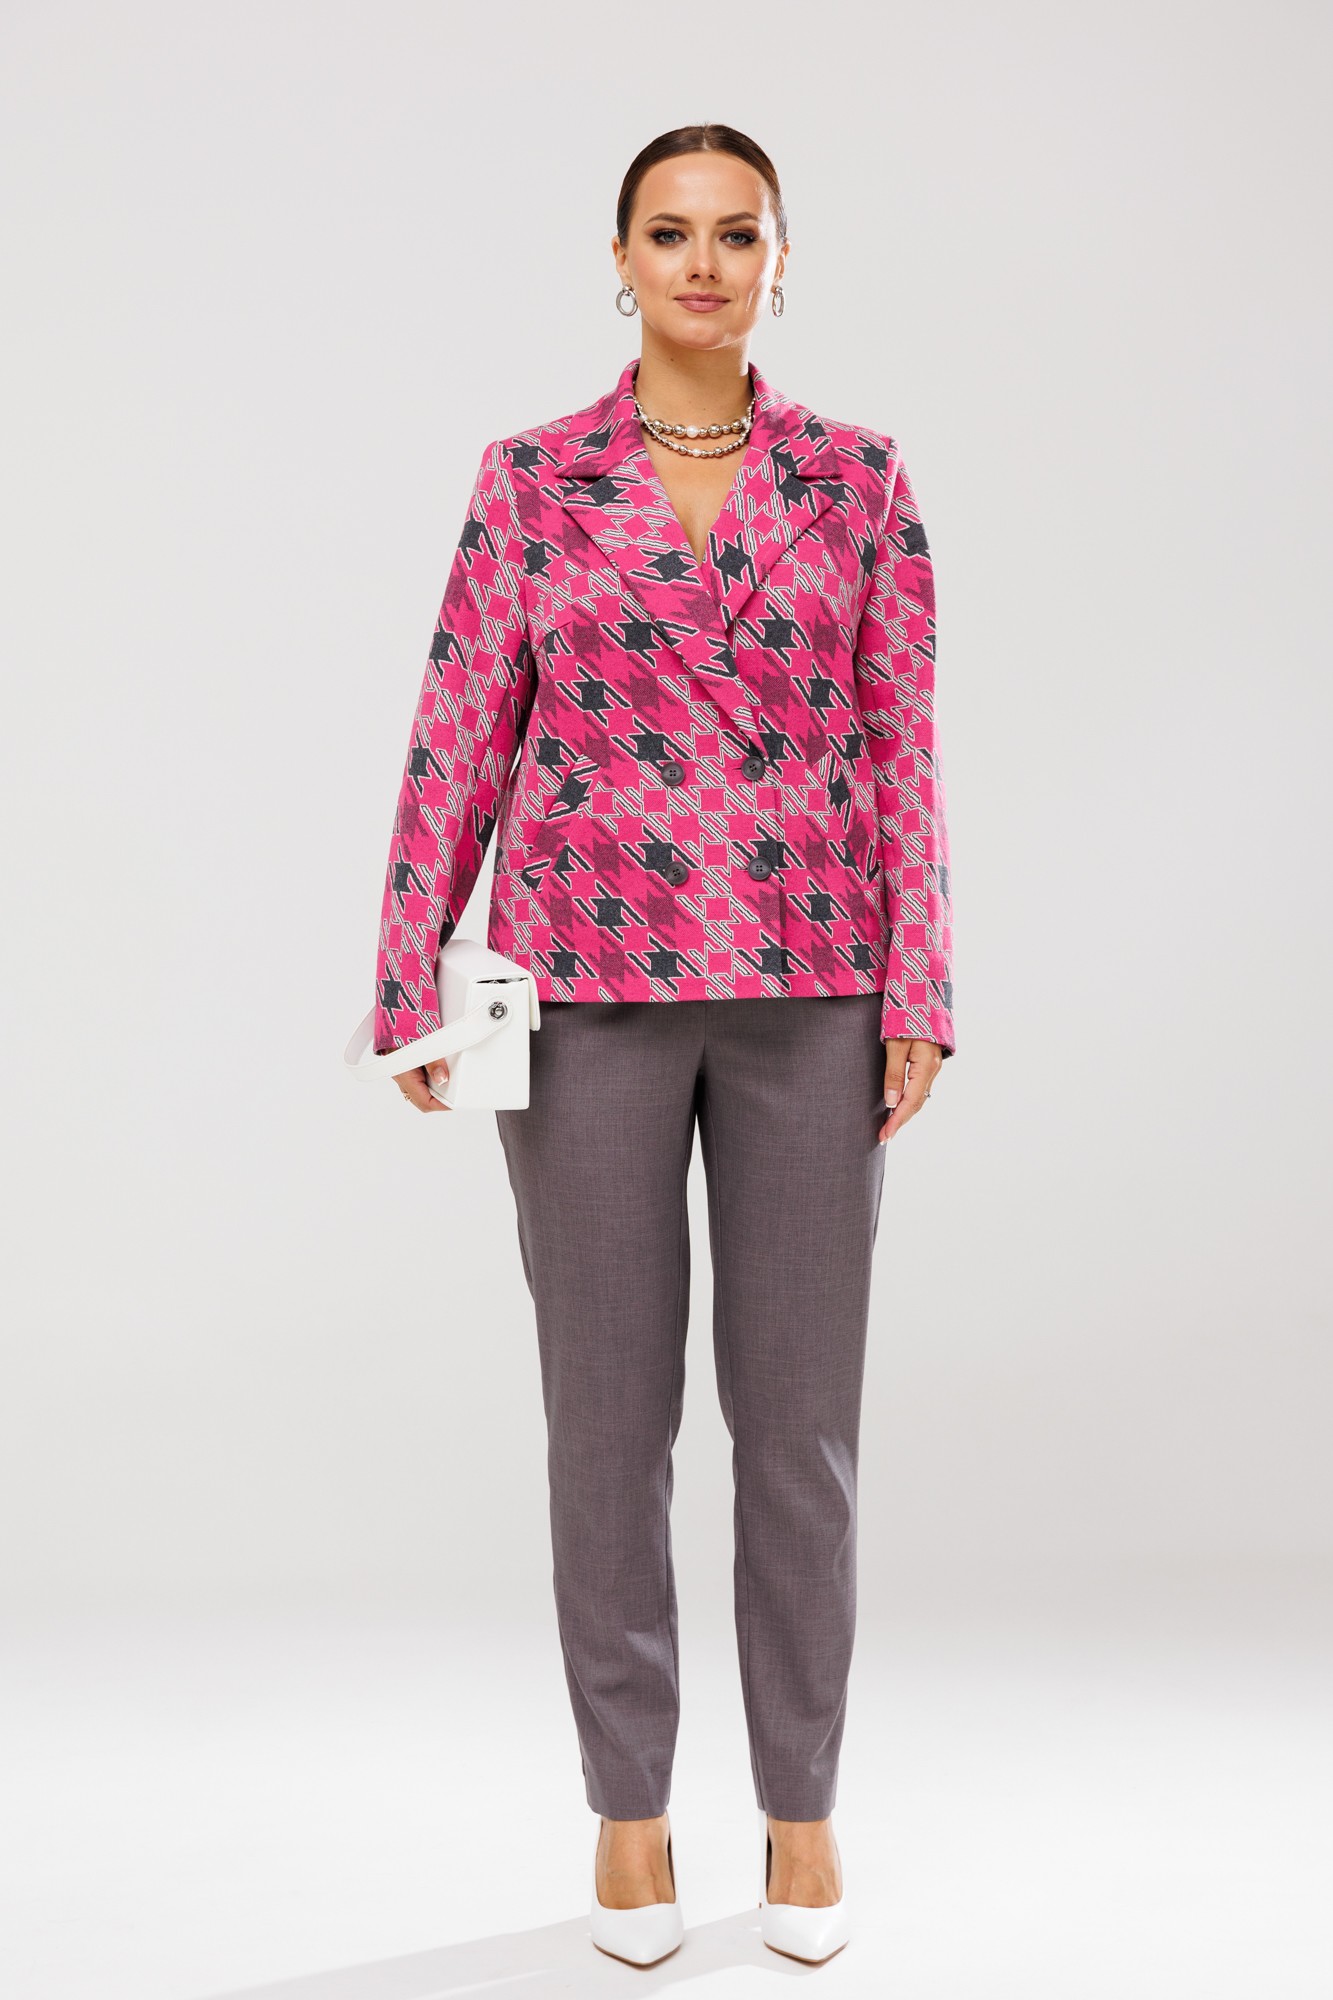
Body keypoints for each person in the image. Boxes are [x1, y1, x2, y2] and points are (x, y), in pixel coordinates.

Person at [369, 123, 955, 1970]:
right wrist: (407, 967)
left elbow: (902, 738)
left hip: (811, 984)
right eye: (670, 232)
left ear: (782, 260)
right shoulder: (532, 479)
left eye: (736, 233)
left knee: (799, 1431)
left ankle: (801, 1808)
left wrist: (922, 986)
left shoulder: (858, 479)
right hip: (587, 990)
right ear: (617, 258)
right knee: (607, 1423)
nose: (703, 263)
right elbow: (461, 722)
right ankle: (628, 1807)